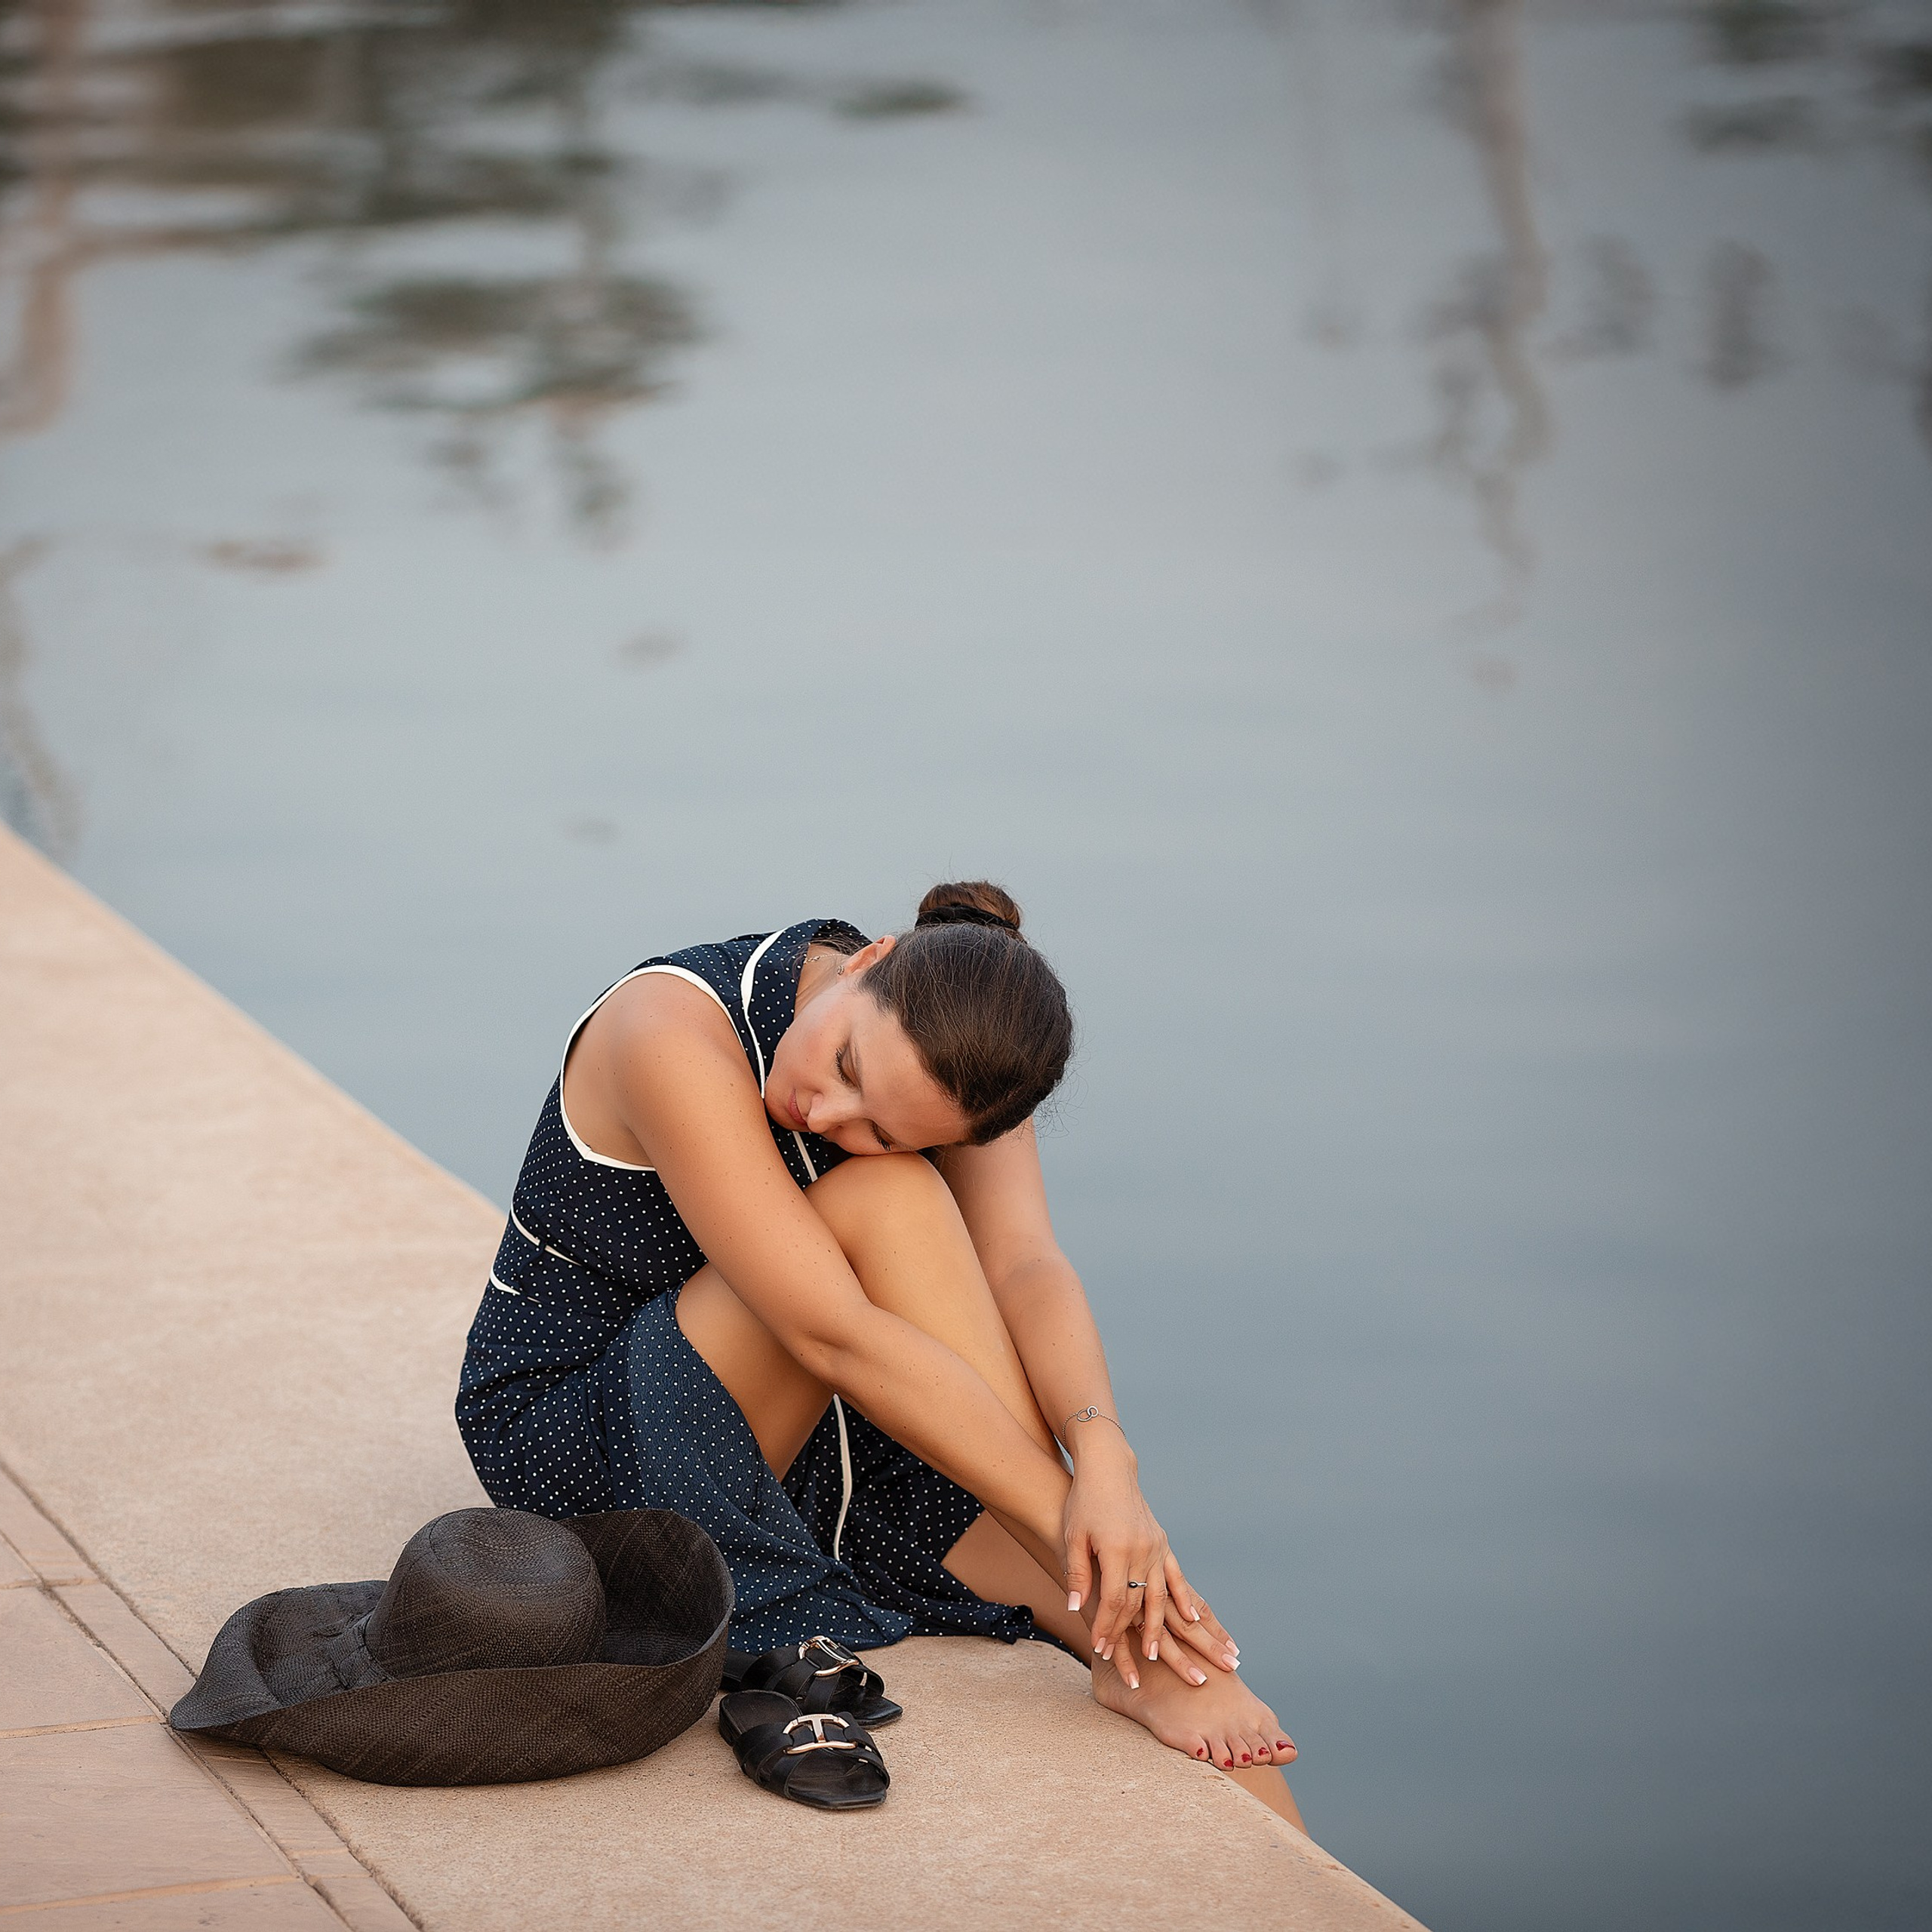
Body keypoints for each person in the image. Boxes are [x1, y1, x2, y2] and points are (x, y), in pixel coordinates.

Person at [457, 882, 1301, 1824]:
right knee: (889, 1198)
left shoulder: (963, 1064)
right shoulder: (667, 1026)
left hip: (806, 1423)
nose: (827, 1113)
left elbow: (1024, 1265)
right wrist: (1083, 1526)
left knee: (1154, 1646)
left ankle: (1166, 1684)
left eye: (880, 1128)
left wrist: (1106, 1458)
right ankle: (1112, 1596)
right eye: (845, 1060)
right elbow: (832, 1330)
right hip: (586, 1428)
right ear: (866, 961)